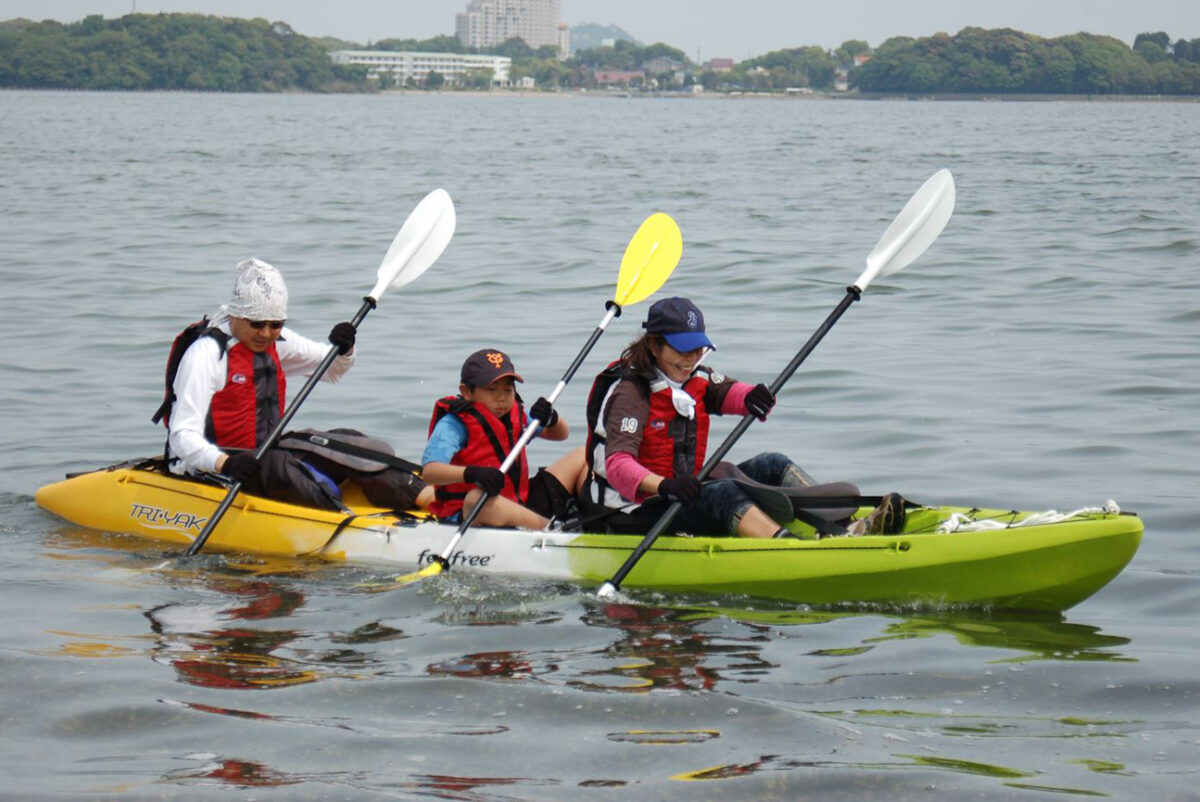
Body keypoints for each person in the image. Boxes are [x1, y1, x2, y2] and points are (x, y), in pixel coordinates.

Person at [580, 296, 906, 539]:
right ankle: (789, 549)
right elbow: (618, 466)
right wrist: (665, 486)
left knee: (772, 464)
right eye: (683, 351)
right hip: (630, 509)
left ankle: (842, 526)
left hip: (680, 491)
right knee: (721, 492)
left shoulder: (694, 376)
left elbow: (729, 393)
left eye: (698, 350)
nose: (692, 359)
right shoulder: (630, 393)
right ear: (653, 345)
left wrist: (754, 397)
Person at [164, 257, 431, 512]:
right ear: (235, 315)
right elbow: (182, 436)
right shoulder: (207, 354)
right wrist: (224, 463)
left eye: (276, 324)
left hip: (266, 451)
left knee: (350, 444)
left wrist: (345, 349)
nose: (266, 333)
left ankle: (429, 500)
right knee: (279, 466)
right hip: (215, 464)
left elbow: (332, 370)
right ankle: (343, 521)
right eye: (257, 324)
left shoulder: (278, 342)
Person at [422, 348, 587, 530]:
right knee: (476, 498)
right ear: (466, 391)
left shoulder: (517, 414)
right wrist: (470, 473)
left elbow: (561, 434)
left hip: (520, 502)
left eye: (508, 390)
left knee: (584, 454)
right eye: (492, 390)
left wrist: (552, 419)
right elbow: (430, 472)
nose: (501, 398)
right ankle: (553, 530)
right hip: (474, 511)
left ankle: (590, 515)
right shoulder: (454, 424)